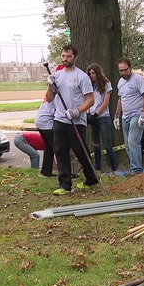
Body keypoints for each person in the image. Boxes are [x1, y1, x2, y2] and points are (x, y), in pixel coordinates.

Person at [45, 44, 98, 195]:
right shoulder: (58, 75)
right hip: (59, 119)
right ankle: (65, 184)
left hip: (75, 121)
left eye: (68, 56)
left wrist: (77, 111)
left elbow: (90, 100)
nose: (65, 59)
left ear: (75, 57)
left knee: (80, 151)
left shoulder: (82, 77)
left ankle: (91, 177)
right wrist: (50, 86)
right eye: (63, 56)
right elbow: (49, 99)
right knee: (60, 150)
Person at [114, 57, 144, 176]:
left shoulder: (137, 80)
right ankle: (133, 167)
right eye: (121, 71)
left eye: (125, 70)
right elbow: (120, 99)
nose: (123, 73)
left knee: (133, 141)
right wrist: (117, 115)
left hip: (137, 115)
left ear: (130, 68)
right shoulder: (120, 82)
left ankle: (137, 170)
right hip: (125, 117)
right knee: (127, 144)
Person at [86, 63, 118, 174]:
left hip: (103, 117)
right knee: (96, 144)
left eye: (93, 73)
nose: (91, 76)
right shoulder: (89, 85)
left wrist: (96, 114)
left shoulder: (106, 83)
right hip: (92, 116)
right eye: (90, 73)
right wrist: (88, 113)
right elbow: (87, 100)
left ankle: (114, 170)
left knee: (108, 144)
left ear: (98, 73)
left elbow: (105, 102)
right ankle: (98, 169)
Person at [35, 99, 57, 177]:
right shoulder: (58, 97)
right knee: (58, 148)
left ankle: (46, 171)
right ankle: (65, 173)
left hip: (40, 121)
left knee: (49, 148)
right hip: (46, 123)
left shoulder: (50, 96)